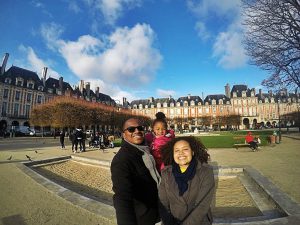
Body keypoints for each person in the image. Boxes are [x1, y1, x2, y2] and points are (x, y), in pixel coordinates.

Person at [111, 118, 161, 225]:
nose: (137, 131)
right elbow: (122, 198)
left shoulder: (146, 150)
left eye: (140, 128)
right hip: (143, 218)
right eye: (131, 129)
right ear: (124, 135)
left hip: (157, 213)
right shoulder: (121, 160)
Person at [158, 136, 215, 225]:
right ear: (172, 154)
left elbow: (202, 206)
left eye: (185, 149)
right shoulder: (166, 173)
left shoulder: (206, 171)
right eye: (176, 150)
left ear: (192, 152)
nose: (181, 153)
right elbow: (163, 203)